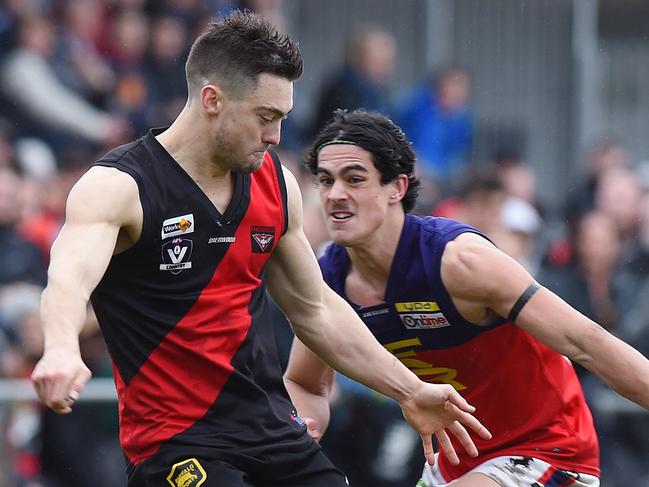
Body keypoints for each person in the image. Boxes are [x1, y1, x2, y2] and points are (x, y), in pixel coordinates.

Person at [29, 11, 491, 487]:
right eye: (265, 118)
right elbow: (68, 277)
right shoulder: (121, 185)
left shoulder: (275, 183)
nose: (275, 136)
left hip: (271, 430)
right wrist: (61, 348)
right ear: (212, 100)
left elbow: (316, 310)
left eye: (283, 119)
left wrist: (409, 390)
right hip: (176, 445)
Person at [283, 108, 649, 487]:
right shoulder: (328, 279)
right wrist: (304, 427)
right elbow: (306, 384)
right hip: (457, 464)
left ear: (398, 187)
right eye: (325, 181)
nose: (335, 195)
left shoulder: (459, 262)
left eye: (354, 179)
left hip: (544, 447)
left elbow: (588, 343)